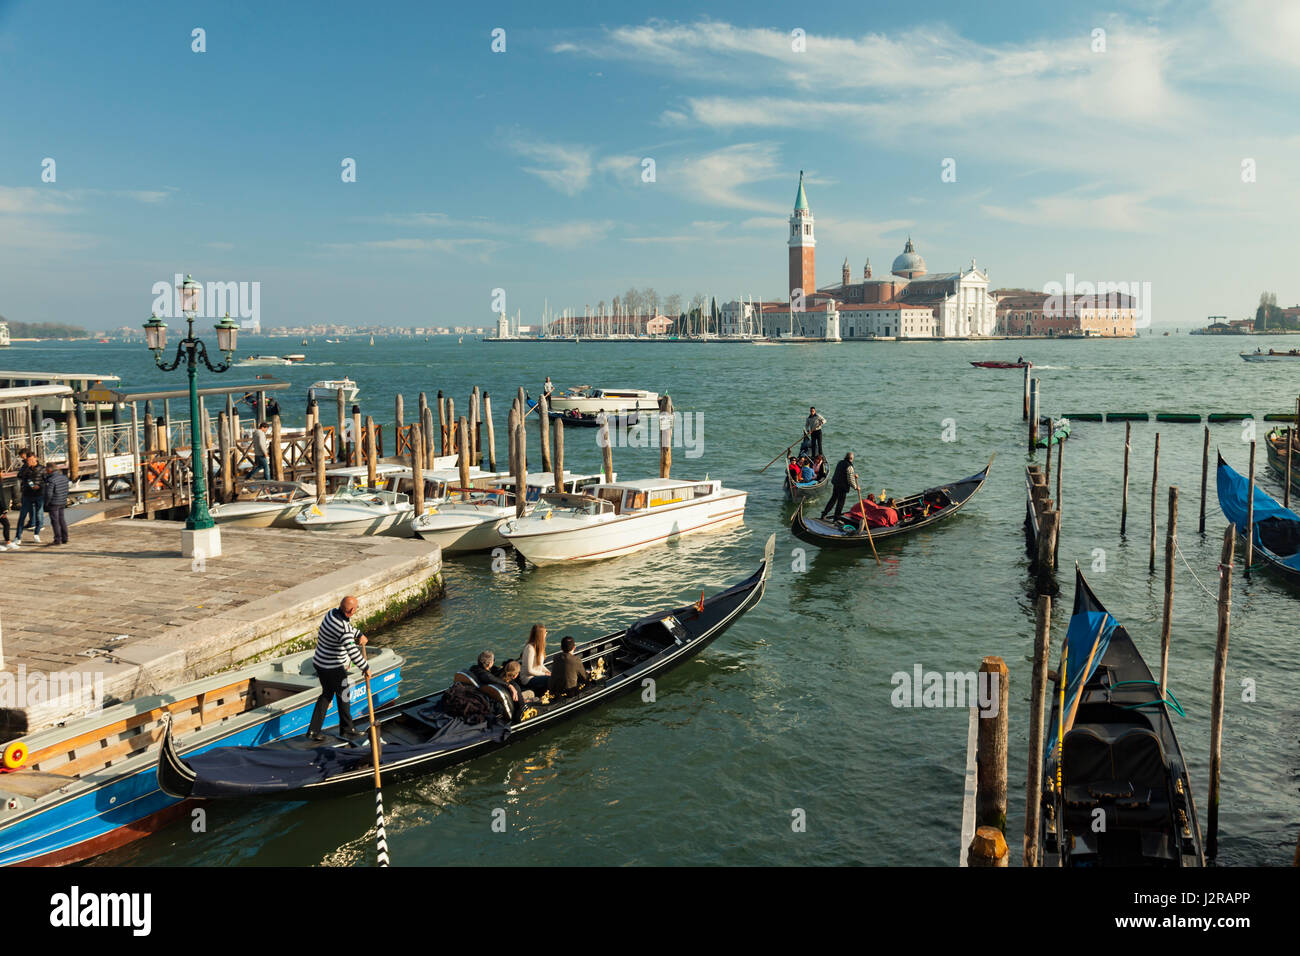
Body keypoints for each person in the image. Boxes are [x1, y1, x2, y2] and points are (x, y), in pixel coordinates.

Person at [306, 596, 370, 741]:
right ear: (352, 610)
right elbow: (352, 651)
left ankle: (313, 732)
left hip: (319, 662)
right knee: (344, 694)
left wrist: (359, 634)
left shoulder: (331, 614)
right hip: (332, 666)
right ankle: (347, 730)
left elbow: (347, 629)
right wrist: (365, 667)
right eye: (356, 608)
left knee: (327, 694)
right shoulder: (344, 629)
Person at [15, 452, 45, 545]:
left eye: (32, 460)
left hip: (39, 495)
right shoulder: (25, 468)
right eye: (28, 460)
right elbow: (20, 476)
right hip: (27, 495)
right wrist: (26, 467)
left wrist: (39, 486)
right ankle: (18, 537)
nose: (30, 462)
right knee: (22, 516)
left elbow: (46, 481)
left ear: (35, 458)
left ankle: (36, 534)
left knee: (39, 516)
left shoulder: (42, 469)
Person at [820, 452, 859, 523]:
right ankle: (836, 518)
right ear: (851, 458)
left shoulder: (840, 462)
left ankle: (824, 514)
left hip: (836, 484)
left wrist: (853, 476)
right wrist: (856, 487)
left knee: (833, 499)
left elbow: (841, 473)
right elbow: (850, 479)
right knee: (840, 502)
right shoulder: (849, 467)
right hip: (843, 487)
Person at [519, 624, 551, 694]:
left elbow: (540, 665)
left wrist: (549, 672)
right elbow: (529, 671)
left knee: (553, 676)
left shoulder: (539, 647)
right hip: (528, 679)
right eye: (545, 632)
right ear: (540, 635)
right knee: (549, 679)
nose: (546, 634)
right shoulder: (530, 648)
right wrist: (544, 674)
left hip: (536, 675)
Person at [43, 462, 69, 545]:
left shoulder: (51, 480)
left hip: (54, 502)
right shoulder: (64, 477)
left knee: (55, 521)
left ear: (50, 470)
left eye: (46, 470)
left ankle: (57, 539)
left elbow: (49, 493)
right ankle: (65, 538)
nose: (46, 471)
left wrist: (46, 503)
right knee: (62, 520)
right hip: (62, 501)